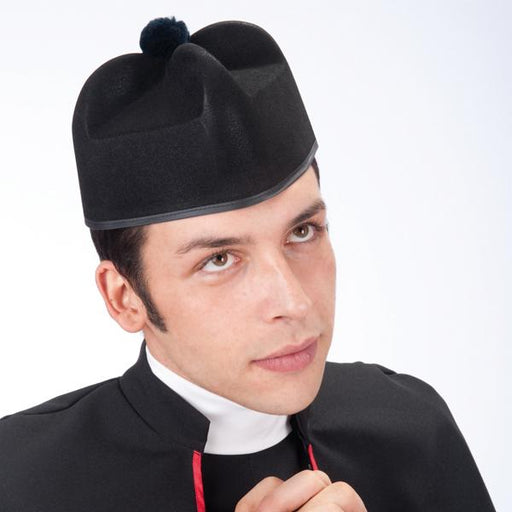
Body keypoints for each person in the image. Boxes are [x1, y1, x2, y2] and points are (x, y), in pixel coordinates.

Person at [0, 15, 495, 512]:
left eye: (303, 232)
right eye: (219, 260)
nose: (293, 302)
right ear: (124, 298)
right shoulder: (16, 479)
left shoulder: (414, 428)